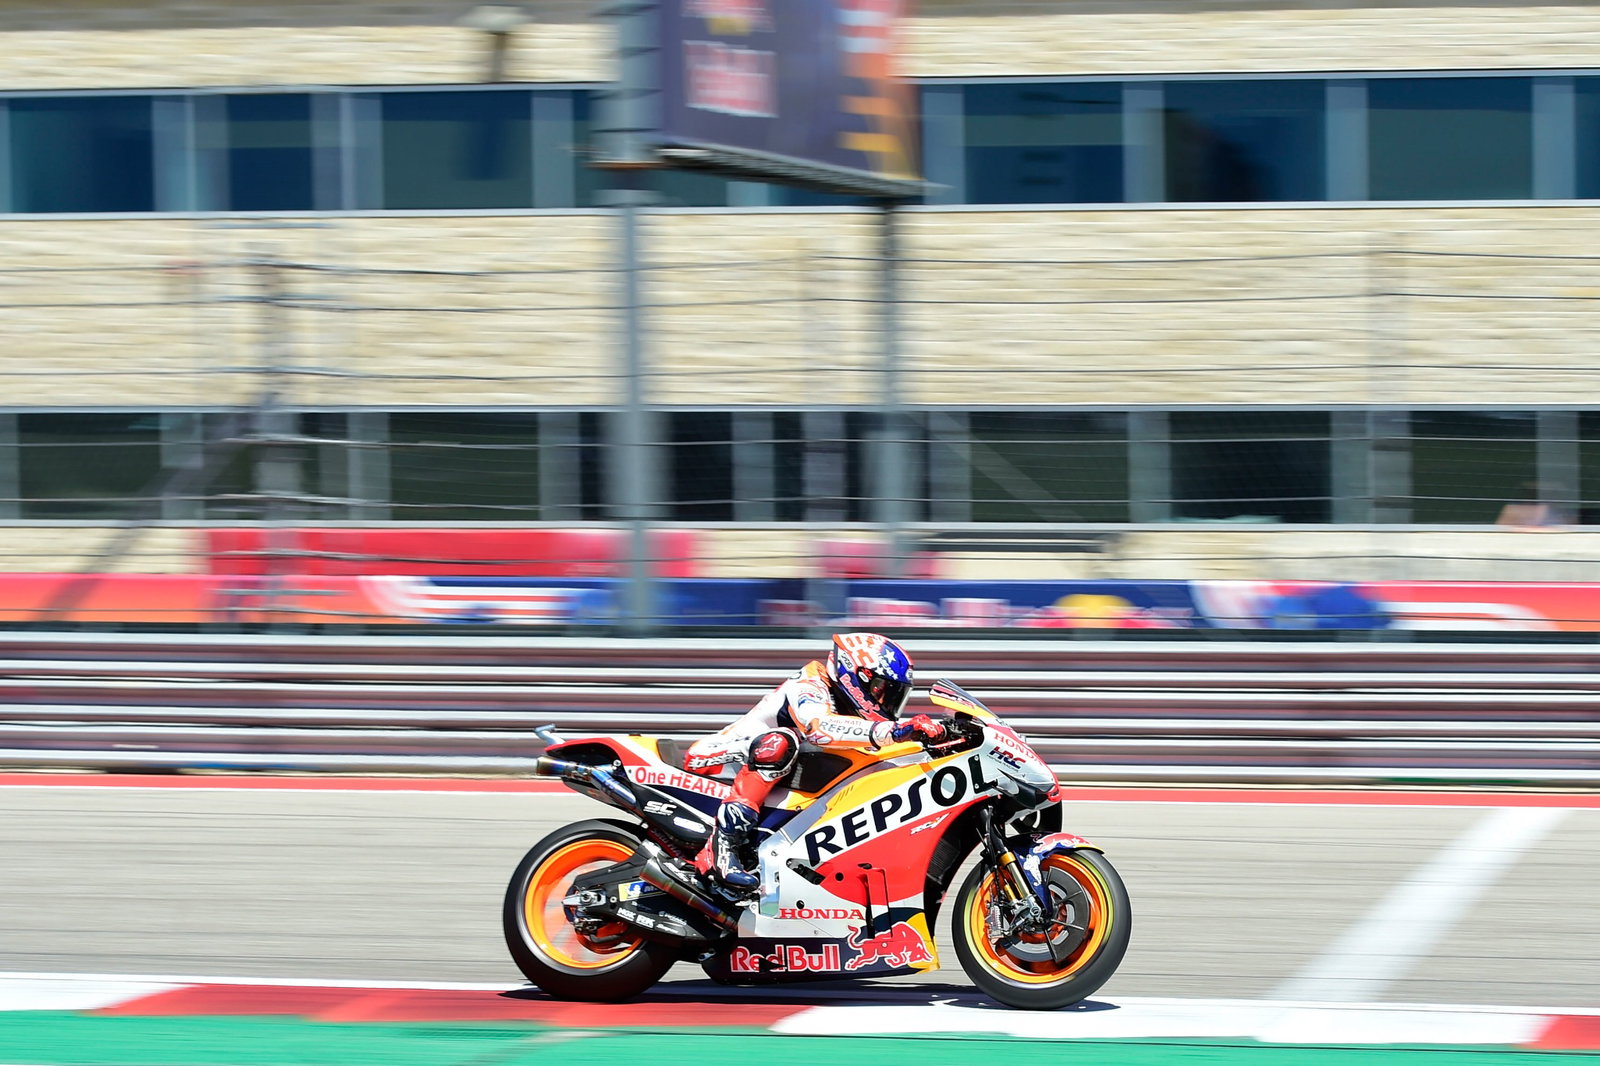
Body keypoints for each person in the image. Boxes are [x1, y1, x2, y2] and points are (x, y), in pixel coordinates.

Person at [685, 632, 946, 891]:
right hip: (712, 759)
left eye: (894, 696)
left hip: (764, 773)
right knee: (779, 742)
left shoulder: (848, 706)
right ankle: (722, 849)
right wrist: (897, 730)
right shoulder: (810, 683)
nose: (884, 702)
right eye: (881, 690)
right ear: (858, 675)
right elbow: (820, 729)